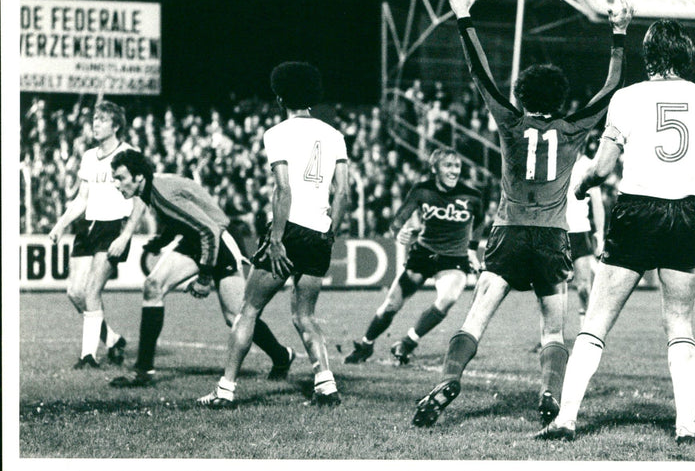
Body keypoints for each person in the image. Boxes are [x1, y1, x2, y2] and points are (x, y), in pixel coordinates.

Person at [413, 0, 633, 428]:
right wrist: (618, 34)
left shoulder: (510, 124)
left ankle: (451, 376)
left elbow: (481, 74)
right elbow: (610, 90)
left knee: (475, 317)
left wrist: (464, 17)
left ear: (522, 95)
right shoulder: (574, 129)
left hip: (508, 232)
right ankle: (550, 393)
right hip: (553, 236)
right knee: (554, 329)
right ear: (561, 97)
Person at [534, 19, 695, 444]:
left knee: (597, 321)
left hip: (637, 211)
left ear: (649, 54)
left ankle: (566, 420)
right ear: (684, 53)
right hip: (683, 211)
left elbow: (604, 166)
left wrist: (582, 184)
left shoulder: (627, 98)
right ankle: (686, 426)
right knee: (679, 323)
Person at [198, 61, 349, 408]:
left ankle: (225, 391)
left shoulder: (277, 133)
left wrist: (277, 239)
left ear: (280, 96)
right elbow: (343, 194)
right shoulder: (334, 135)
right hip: (319, 231)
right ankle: (326, 386)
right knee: (305, 315)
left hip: (289, 229)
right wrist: (330, 233)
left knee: (248, 310)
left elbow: (283, 190)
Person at [106, 149, 293, 387]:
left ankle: (281, 356)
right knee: (153, 286)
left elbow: (210, 230)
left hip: (220, 241)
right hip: (198, 241)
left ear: (139, 177)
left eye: (120, 178)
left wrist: (204, 278)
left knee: (235, 316)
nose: (116, 184)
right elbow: (185, 218)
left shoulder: (160, 192)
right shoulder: (154, 188)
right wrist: (162, 241)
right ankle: (143, 370)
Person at [344, 148, 485, 365]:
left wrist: (472, 250)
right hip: (423, 254)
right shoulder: (422, 191)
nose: (454, 171)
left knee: (448, 299)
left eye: (457, 166)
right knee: (391, 305)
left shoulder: (472, 196)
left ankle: (407, 342)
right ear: (434, 169)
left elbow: (479, 221)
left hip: (453, 259)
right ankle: (366, 344)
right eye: (448, 165)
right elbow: (398, 221)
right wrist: (399, 232)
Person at [48, 101, 145, 369]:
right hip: (88, 227)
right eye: (94, 119)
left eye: (102, 120)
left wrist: (126, 235)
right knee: (75, 292)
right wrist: (60, 224)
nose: (95, 124)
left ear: (116, 125)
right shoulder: (90, 156)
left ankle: (88, 356)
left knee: (92, 291)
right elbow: (82, 198)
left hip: (113, 226)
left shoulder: (129, 154)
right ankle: (113, 340)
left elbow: (141, 198)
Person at [565, 136, 606, 328]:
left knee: (583, 287)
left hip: (580, 231)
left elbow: (597, 204)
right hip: (557, 231)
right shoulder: (557, 163)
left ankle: (586, 330)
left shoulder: (589, 166)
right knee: (554, 287)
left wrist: (600, 234)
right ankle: (551, 336)